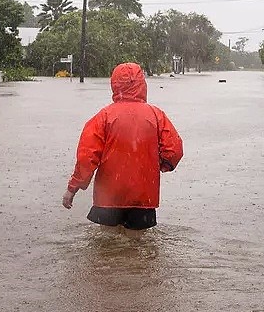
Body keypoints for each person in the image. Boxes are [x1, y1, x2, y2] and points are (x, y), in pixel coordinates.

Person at [62, 62, 184, 230]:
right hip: (143, 197)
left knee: (107, 245)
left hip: (108, 198)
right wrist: (160, 165)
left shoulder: (103, 117)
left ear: (114, 84)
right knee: (138, 245)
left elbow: (86, 158)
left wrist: (72, 188)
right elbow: (174, 150)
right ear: (142, 84)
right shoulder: (157, 115)